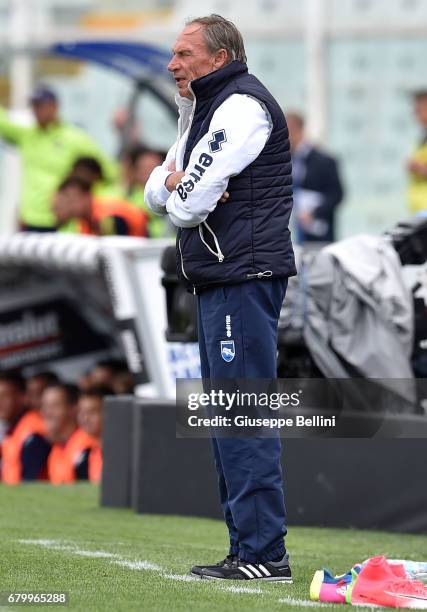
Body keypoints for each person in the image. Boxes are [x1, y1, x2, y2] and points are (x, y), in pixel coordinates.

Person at [145, 14, 296, 581]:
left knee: (242, 413)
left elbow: (183, 206)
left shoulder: (240, 107)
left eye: (184, 53)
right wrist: (175, 185)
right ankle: (247, 548)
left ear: (220, 57)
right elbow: (156, 192)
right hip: (219, 277)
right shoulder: (204, 107)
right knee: (225, 415)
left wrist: (181, 189)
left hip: (243, 276)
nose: (171, 64)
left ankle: (263, 553)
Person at [0, 84, 117, 231]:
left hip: (64, 222)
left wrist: (89, 202)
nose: (37, 111)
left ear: (55, 106)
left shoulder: (75, 138)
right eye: (35, 106)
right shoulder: (27, 136)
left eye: (41, 105)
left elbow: (108, 172)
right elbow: (3, 124)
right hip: (29, 220)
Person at [287, 112, 344, 244]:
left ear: (297, 130)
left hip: (318, 234)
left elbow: (337, 194)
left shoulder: (325, 161)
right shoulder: (285, 161)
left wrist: (314, 212)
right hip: (291, 233)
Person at [53, 176, 147, 237]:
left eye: (73, 200)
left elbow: (114, 246)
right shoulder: (84, 221)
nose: (70, 206)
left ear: (88, 195)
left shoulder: (105, 216)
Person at [0, 371, 50, 483]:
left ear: (22, 397)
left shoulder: (34, 431)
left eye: (4, 395)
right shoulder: (13, 430)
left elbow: (31, 484)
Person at [41, 383, 95, 484]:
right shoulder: (55, 450)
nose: (47, 412)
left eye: (54, 406)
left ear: (73, 409)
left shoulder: (88, 445)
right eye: (45, 406)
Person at [120, 145, 171, 237]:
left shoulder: (171, 195)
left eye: (154, 167)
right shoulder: (128, 198)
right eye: (144, 167)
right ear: (135, 171)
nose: (149, 172)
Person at [77, 386, 109, 483]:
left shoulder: (119, 452)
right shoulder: (92, 451)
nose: (85, 418)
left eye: (92, 412)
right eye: (81, 412)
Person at [407, 90, 427, 214]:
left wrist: (421, 168)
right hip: (420, 209)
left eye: (419, 109)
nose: (415, 114)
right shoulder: (422, 137)